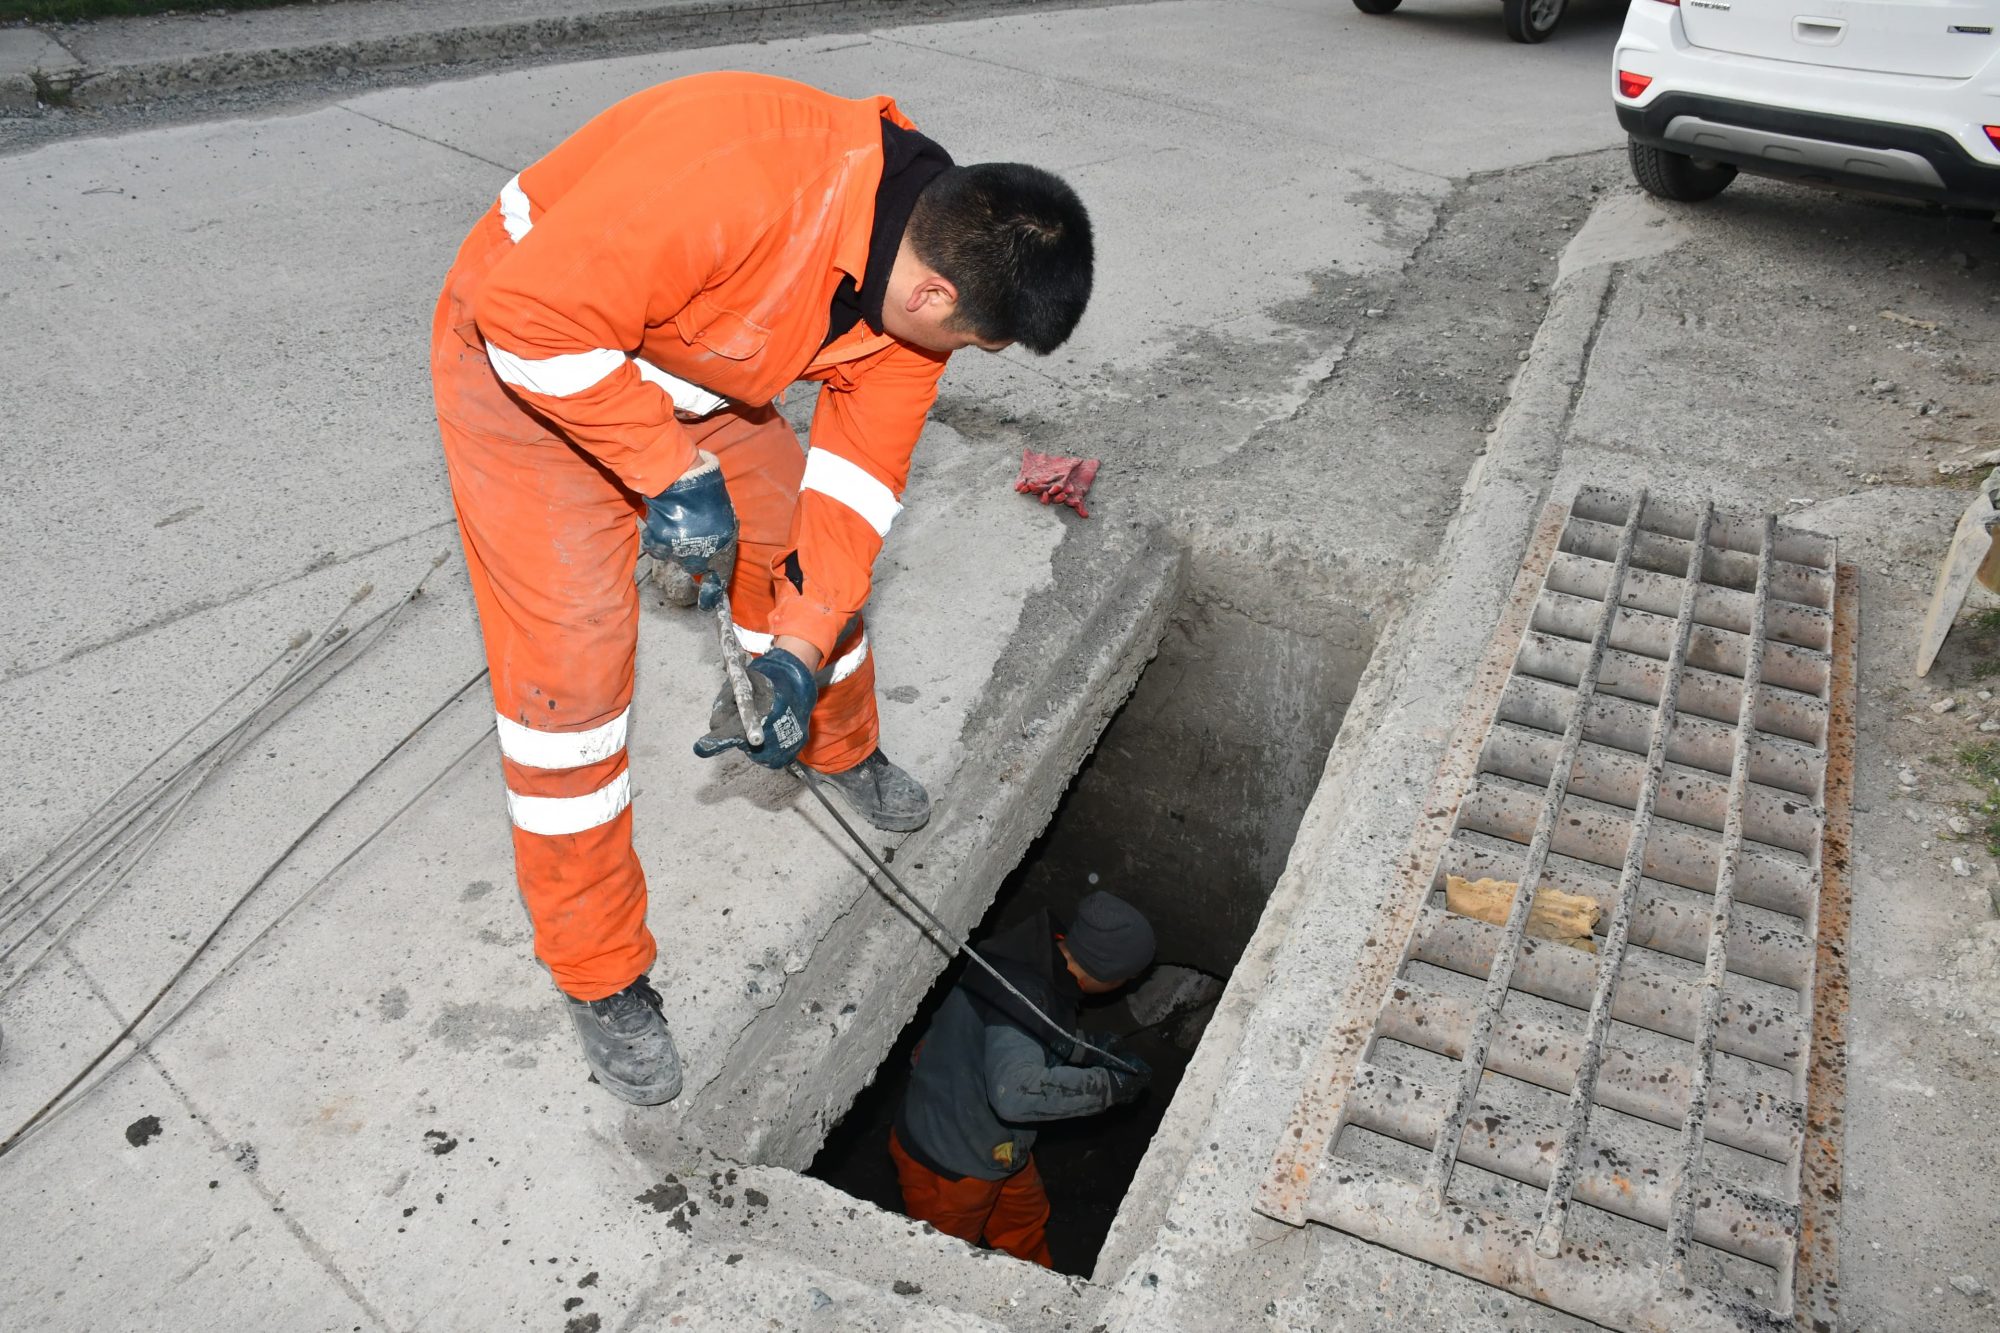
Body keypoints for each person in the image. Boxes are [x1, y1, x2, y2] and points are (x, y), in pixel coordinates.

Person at [427, 71, 1094, 1106]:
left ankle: (832, 738)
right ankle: (600, 973)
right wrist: (666, 472)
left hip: (687, 368)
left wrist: (794, 656)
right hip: (531, 358)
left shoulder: (916, 277)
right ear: (934, 297)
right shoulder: (742, 175)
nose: (963, 356)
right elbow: (528, 318)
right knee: (570, 691)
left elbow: (851, 498)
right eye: (975, 340)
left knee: (800, 556)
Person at [890, 891, 1155, 1267]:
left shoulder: (1041, 960)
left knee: (1024, 1219)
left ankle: (1032, 1286)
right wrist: (1109, 1087)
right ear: (1108, 973)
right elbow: (1015, 1093)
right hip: (948, 1159)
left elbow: (1033, 1031)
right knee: (945, 1257)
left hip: (996, 1144)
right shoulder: (1023, 992)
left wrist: (1092, 1050)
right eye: (1126, 979)